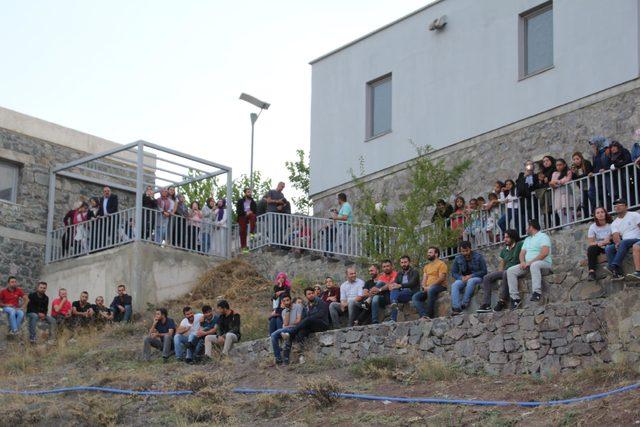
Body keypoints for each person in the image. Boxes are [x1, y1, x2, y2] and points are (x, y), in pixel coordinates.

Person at [506, 219, 553, 309]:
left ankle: (537, 292)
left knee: (535, 265)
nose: (525, 229)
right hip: (528, 265)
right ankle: (515, 299)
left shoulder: (543, 236)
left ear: (531, 227)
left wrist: (530, 262)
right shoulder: (527, 239)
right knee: (510, 270)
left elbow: (544, 253)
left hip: (544, 263)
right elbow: (522, 253)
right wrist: (523, 262)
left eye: (526, 227)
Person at [278, 288, 330, 365]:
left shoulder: (320, 302)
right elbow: (305, 318)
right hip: (312, 326)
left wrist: (309, 318)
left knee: (307, 320)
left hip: (323, 324)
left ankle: (290, 333)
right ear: (306, 296)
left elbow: (321, 314)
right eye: (309, 294)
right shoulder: (307, 306)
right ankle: (299, 356)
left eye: (312, 293)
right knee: (301, 332)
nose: (311, 295)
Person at [477, 230, 523, 313]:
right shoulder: (505, 249)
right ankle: (486, 305)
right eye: (504, 237)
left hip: (516, 270)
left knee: (507, 272)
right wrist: (499, 273)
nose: (505, 239)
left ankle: (502, 301)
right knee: (486, 277)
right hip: (506, 271)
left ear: (513, 237)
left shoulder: (520, 245)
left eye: (507, 237)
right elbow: (502, 262)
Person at [604, 198, 640, 280]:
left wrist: (620, 243)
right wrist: (617, 244)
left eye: (620, 205)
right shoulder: (614, 223)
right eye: (616, 205)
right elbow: (616, 236)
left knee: (623, 242)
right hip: (625, 242)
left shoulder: (634, 215)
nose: (618, 206)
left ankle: (613, 266)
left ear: (626, 207)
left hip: (637, 239)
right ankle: (617, 273)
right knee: (609, 248)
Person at [450, 242, 487, 315]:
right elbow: (454, 273)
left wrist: (471, 276)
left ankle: (464, 303)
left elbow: (484, 271)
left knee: (471, 280)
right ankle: (456, 308)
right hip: (463, 278)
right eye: (463, 251)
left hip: (476, 277)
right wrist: (460, 277)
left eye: (466, 251)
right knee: (455, 285)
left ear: (470, 249)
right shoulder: (458, 258)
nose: (465, 253)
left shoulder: (478, 257)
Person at [412, 247, 448, 319]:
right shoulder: (426, 266)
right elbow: (424, 278)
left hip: (440, 286)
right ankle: (424, 315)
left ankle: (429, 315)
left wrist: (430, 287)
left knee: (431, 290)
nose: (428, 254)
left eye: (430, 252)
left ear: (436, 254)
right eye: (428, 253)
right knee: (415, 297)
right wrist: (424, 286)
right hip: (428, 288)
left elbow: (441, 278)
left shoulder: (441, 264)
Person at [387, 256, 420, 322]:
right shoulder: (399, 273)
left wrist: (400, 285)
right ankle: (393, 306)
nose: (403, 264)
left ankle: (393, 317)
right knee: (394, 290)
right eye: (402, 262)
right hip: (401, 294)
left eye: (405, 262)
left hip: (411, 292)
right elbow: (395, 284)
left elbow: (412, 283)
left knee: (395, 294)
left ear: (409, 262)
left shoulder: (414, 272)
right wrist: (392, 286)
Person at [585, 207, 612, 281]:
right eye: (598, 213)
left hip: (610, 244)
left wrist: (609, 239)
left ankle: (613, 268)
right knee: (591, 249)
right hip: (600, 246)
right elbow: (591, 242)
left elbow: (615, 235)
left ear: (605, 213)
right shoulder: (593, 227)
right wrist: (599, 243)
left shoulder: (611, 224)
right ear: (595, 216)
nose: (600, 214)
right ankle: (591, 273)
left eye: (602, 212)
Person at [370, 259, 398, 324]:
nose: (386, 268)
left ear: (392, 266)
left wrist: (379, 289)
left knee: (380, 283)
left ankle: (369, 299)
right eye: (384, 267)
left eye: (388, 266)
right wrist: (375, 290)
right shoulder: (381, 277)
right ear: (382, 268)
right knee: (375, 298)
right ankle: (375, 321)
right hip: (383, 297)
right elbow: (376, 289)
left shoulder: (396, 274)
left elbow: (391, 285)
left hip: (393, 297)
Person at [549, 158, 574, 225]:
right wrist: (555, 183)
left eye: (560, 165)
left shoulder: (568, 172)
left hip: (566, 192)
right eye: (557, 165)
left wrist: (557, 182)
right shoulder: (554, 173)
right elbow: (552, 183)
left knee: (567, 208)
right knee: (559, 210)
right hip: (557, 193)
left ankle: (569, 225)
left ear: (564, 165)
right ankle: (564, 226)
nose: (558, 167)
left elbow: (566, 180)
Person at [571, 152, 594, 219]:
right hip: (582, 186)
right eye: (574, 159)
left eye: (577, 159)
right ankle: (586, 217)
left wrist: (580, 176)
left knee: (591, 198)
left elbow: (588, 172)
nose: (576, 161)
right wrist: (573, 173)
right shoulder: (574, 167)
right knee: (584, 201)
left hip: (590, 183)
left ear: (581, 158)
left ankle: (593, 213)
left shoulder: (586, 163)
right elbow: (574, 178)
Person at [236, 188, 257, 253]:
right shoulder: (240, 201)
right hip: (242, 216)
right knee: (243, 231)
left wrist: (251, 212)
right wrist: (245, 213)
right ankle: (244, 248)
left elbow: (255, 210)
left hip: (250, 215)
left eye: (250, 192)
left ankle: (251, 233)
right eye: (248, 192)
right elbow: (238, 211)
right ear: (245, 193)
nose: (250, 193)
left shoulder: (253, 201)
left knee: (253, 216)